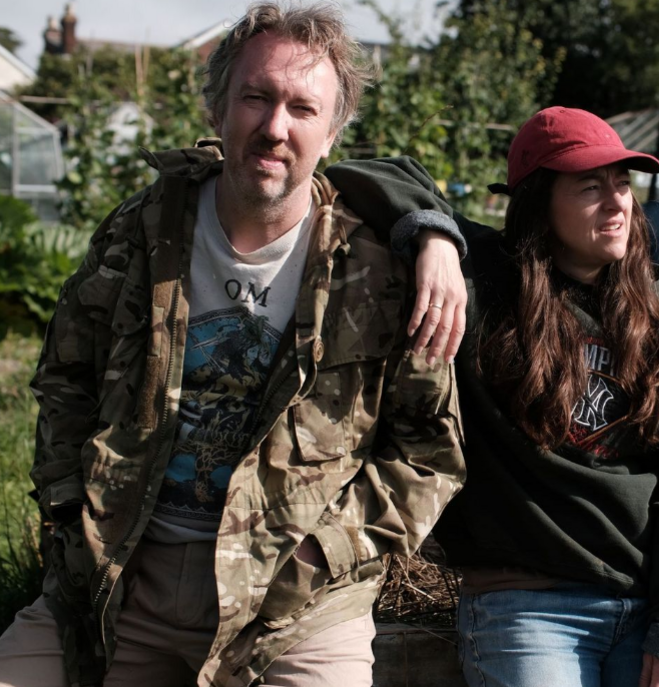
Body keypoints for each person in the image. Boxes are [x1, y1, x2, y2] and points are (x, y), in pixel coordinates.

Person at [0, 4, 468, 686]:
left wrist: (323, 552)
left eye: (303, 109)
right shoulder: (142, 231)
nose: (275, 127)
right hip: (123, 580)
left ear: (333, 133)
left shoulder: (381, 269)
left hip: (296, 606)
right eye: (256, 97)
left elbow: (430, 453)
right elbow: (66, 378)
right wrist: (73, 518)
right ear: (219, 106)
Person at [325, 106, 659, 687]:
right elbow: (365, 173)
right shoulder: (485, 289)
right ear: (536, 204)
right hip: (526, 606)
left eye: (623, 184)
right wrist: (435, 237)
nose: (617, 202)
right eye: (590, 186)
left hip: (647, 609)